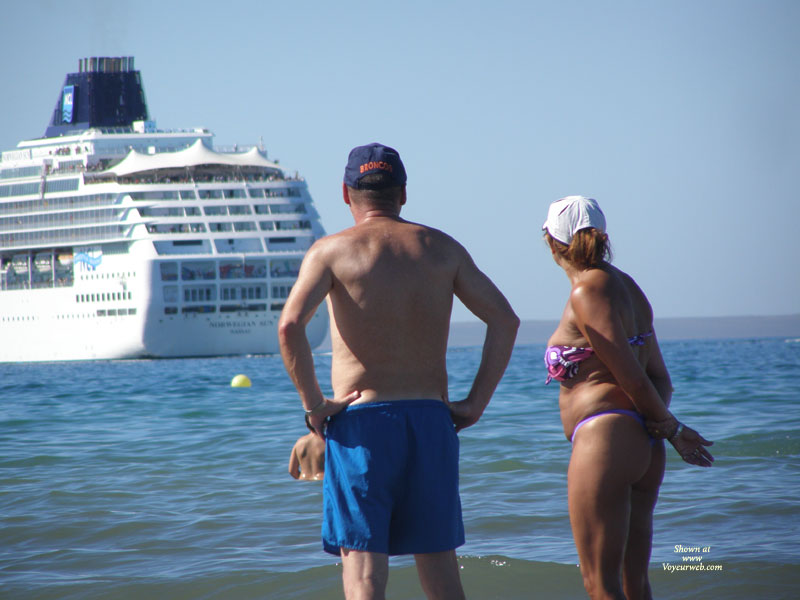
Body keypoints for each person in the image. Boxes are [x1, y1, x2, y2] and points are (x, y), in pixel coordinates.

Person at [279, 143, 519, 600]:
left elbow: (290, 326)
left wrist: (315, 408)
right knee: (443, 574)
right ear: (403, 193)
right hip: (431, 420)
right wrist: (475, 403)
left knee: (365, 577)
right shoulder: (441, 248)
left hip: (362, 423)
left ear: (346, 194)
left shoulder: (330, 252)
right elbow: (505, 320)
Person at [542, 195, 714, 600]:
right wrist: (658, 426)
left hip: (605, 442)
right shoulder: (628, 286)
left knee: (601, 586)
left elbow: (633, 376)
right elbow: (659, 378)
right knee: (633, 585)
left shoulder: (587, 292)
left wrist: (673, 429)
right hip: (642, 444)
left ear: (551, 242)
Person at [288, 416, 326, 480]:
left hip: (303, 481)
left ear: (306, 424)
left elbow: (292, 471)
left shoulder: (299, 442)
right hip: (321, 481)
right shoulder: (327, 442)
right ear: (325, 423)